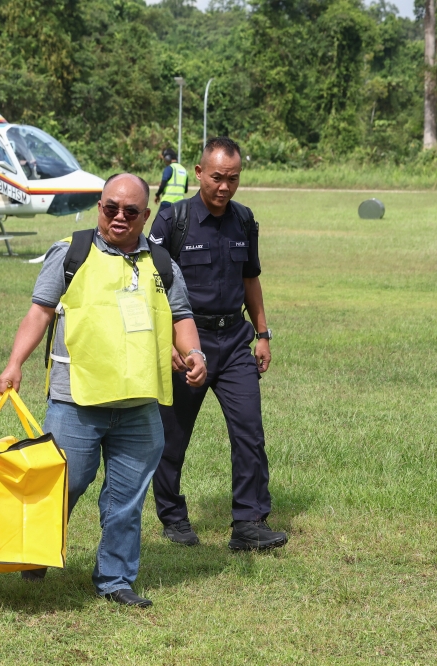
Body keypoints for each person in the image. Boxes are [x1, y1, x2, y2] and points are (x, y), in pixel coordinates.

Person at [0, 173, 207, 607]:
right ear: (99, 206)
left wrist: (195, 354)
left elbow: (181, 315)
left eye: (131, 211)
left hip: (139, 403)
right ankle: (35, 551)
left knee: (127, 498)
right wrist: (15, 363)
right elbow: (39, 313)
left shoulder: (162, 264)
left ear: (146, 216)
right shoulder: (71, 254)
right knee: (64, 484)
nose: (119, 217)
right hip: (76, 399)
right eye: (111, 207)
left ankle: (115, 579)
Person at [147, 136, 287, 551]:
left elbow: (251, 279)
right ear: (199, 173)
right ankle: (172, 517)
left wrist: (262, 334)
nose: (224, 187)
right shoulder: (173, 221)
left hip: (234, 341)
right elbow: (153, 288)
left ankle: (249, 523)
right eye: (217, 178)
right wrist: (167, 345)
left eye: (233, 179)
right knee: (173, 436)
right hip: (188, 343)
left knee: (249, 433)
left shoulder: (244, 220)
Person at [153, 148, 188, 213]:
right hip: (179, 204)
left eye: (164, 159)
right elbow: (185, 190)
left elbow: (162, 185)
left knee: (159, 223)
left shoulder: (169, 168)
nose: (164, 161)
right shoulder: (184, 170)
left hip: (167, 202)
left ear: (167, 158)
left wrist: (157, 195)